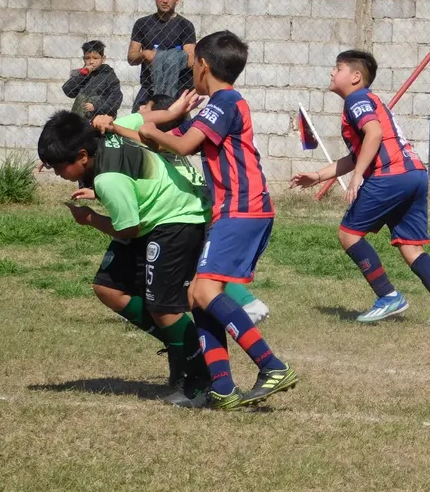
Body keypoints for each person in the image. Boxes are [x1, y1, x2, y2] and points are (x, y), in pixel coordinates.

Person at [137, 30, 297, 410]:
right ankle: (223, 387)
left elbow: (183, 144)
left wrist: (150, 126)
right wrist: (119, 128)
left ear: (203, 64)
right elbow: (162, 136)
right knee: (198, 295)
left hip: (243, 208)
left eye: (192, 63)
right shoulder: (217, 106)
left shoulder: (224, 103)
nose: (190, 70)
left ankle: (271, 365)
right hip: (233, 210)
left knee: (206, 292)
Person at [37, 110, 213, 403]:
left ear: (82, 155)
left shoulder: (108, 179)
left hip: (177, 218)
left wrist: (91, 219)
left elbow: (128, 228)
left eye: (58, 167)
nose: (57, 173)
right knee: (108, 287)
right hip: (151, 216)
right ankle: (178, 345)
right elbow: (143, 118)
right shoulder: (108, 132)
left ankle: (200, 380)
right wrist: (175, 111)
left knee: (163, 306)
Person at [290, 50, 430, 325]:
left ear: (355, 77)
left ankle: (388, 296)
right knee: (411, 247)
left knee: (348, 234)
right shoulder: (367, 100)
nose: (332, 73)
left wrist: (357, 177)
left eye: (338, 68)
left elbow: (373, 134)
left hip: (391, 175)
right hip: (414, 173)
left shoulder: (357, 99)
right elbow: (357, 154)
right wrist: (318, 176)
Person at [93, 93, 271, 329]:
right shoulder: (161, 143)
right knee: (201, 272)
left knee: (202, 274)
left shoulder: (157, 145)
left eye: (147, 107)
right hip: (197, 209)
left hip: (193, 214)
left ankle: (246, 305)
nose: (142, 109)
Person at [127, 0, 196, 113]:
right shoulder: (142, 23)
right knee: (135, 124)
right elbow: (131, 57)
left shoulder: (185, 25)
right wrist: (144, 54)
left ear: (177, 0)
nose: (165, 0)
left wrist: (163, 57)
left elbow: (191, 60)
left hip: (176, 87)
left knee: (175, 130)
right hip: (149, 85)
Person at [62, 40, 123, 121]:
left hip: (100, 120)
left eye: (95, 58)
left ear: (103, 59)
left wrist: (96, 106)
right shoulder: (81, 73)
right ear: (84, 59)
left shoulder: (108, 75)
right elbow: (68, 91)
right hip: (80, 121)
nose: (91, 62)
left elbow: (116, 98)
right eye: (87, 58)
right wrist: (83, 74)